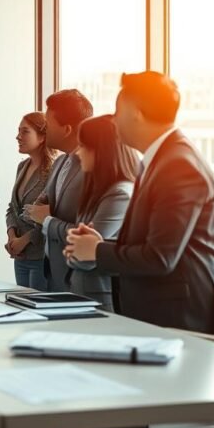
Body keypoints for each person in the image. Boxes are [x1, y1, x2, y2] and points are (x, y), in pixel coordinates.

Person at [65, 72, 214, 333]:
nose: (114, 121)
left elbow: (160, 258)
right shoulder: (161, 159)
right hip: (157, 309)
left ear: (136, 113)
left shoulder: (179, 166)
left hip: (178, 318)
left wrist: (97, 251)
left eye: (118, 112)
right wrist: (98, 243)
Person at [66, 115, 137, 311]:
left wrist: (77, 250)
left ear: (102, 151)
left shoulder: (120, 194)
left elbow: (86, 257)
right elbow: (78, 250)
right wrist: (77, 250)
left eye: (83, 146)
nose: (78, 153)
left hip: (101, 300)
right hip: (84, 294)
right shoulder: (99, 190)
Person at [24, 89, 93, 292]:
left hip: (78, 276)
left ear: (67, 129)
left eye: (49, 123)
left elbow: (89, 230)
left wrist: (47, 218)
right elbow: (41, 204)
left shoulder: (92, 168)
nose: (45, 128)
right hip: (52, 273)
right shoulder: (61, 161)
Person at [5, 112, 56, 291]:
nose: (18, 136)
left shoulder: (53, 170)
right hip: (20, 255)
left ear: (42, 137)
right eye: (18, 131)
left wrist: (26, 240)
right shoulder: (22, 166)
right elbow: (13, 207)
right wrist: (12, 236)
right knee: (22, 308)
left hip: (40, 255)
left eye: (25, 132)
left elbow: (53, 214)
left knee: (38, 311)